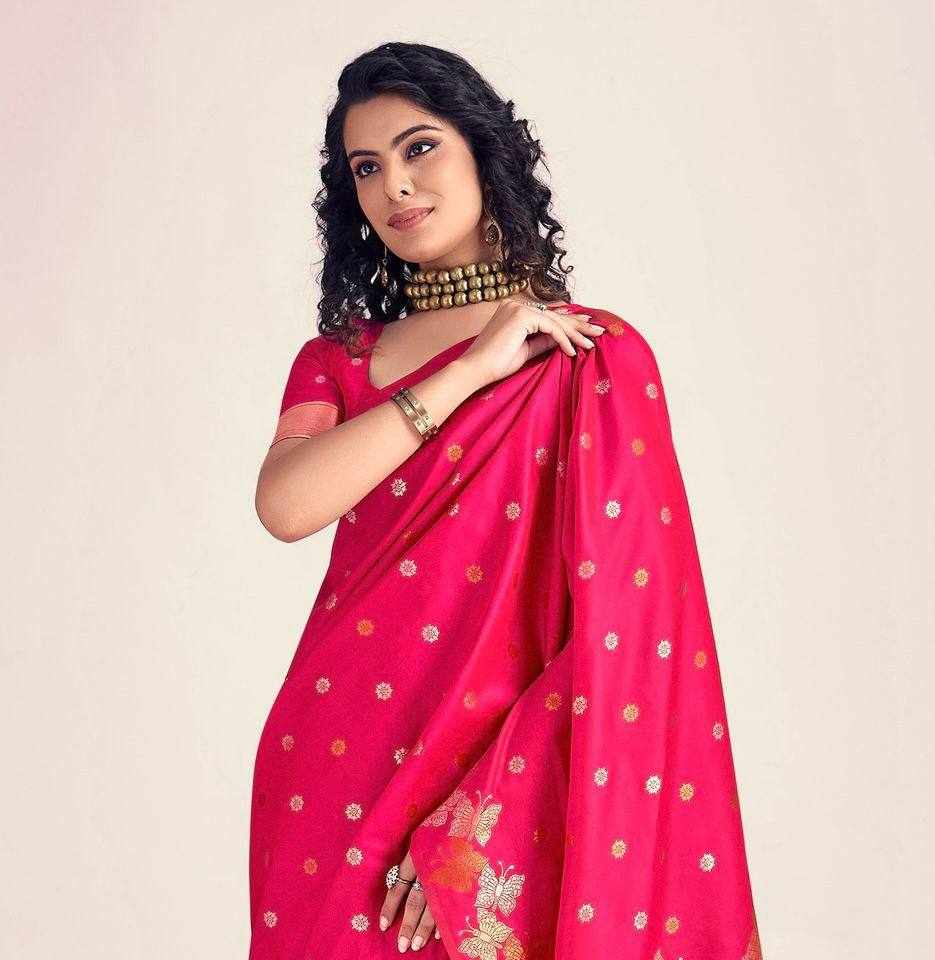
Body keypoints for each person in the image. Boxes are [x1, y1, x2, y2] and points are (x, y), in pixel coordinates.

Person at [249, 42, 763, 960]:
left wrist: (486, 812)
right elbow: (287, 506)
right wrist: (471, 368)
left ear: (483, 152)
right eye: (365, 167)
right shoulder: (339, 360)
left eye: (419, 148)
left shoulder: (592, 359)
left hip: (502, 780)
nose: (394, 186)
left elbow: (635, 632)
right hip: (332, 766)